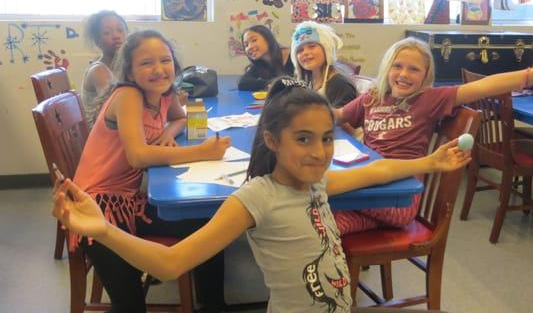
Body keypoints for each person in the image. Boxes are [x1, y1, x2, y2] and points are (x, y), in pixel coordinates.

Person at [53, 76, 471, 313]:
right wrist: (105, 231)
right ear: (271, 140)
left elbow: (376, 169)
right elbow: (170, 262)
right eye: (303, 139)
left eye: (327, 138)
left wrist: (429, 163)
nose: (320, 151)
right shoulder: (256, 198)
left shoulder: (318, 184)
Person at [72, 29, 230, 313]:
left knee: (211, 229)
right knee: (130, 305)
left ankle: (213, 305)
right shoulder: (128, 95)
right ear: (130, 72)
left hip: (129, 201)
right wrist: (201, 151)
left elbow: (181, 118)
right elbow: (138, 156)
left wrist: (169, 130)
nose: (158, 69)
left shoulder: (164, 93)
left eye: (165, 60)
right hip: (96, 208)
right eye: (146, 63)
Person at [334, 36, 533, 235]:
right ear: (387, 67)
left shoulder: (429, 99)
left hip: (400, 200)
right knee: (321, 222)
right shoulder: (371, 98)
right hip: (371, 186)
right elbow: (339, 115)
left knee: (324, 198)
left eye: (414, 69)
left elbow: (481, 87)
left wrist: (527, 76)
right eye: (398, 66)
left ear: (426, 75)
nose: (404, 74)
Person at [290, 21, 357, 108]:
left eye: (312, 46)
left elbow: (339, 120)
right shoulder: (307, 82)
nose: (305, 53)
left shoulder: (340, 84)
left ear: (327, 49)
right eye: (300, 50)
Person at [81, 10, 128, 127]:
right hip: (101, 138)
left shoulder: (125, 66)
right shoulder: (98, 70)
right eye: (107, 33)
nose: (116, 36)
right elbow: (117, 108)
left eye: (120, 30)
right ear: (97, 42)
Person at [237, 25, 294, 91]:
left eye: (254, 40)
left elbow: (301, 83)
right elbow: (242, 83)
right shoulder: (260, 63)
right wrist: (269, 83)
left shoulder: (293, 56)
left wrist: (276, 84)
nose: (249, 47)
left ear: (268, 39)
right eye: (246, 45)